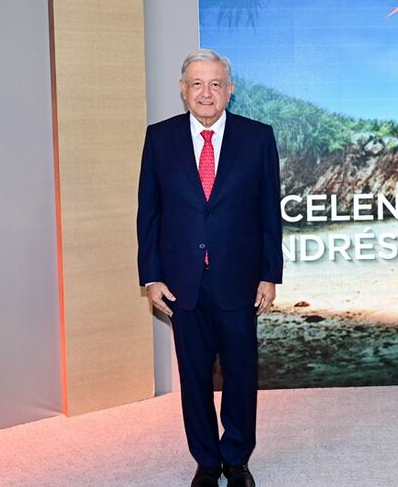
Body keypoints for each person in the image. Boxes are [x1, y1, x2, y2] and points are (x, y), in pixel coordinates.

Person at [137, 48, 282, 487]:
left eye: (215, 84)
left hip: (239, 279)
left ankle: (236, 459)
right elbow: (149, 212)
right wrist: (151, 276)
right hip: (182, 283)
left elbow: (269, 212)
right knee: (194, 375)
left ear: (229, 90)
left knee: (241, 374)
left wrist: (269, 274)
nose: (206, 93)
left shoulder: (257, 137)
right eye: (197, 84)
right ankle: (206, 460)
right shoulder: (159, 138)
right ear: (183, 90)